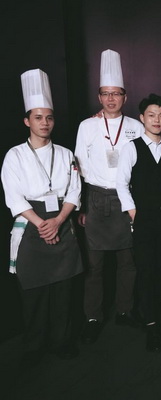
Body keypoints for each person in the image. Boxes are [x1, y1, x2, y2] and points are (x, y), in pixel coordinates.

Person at [1, 69, 83, 365]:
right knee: (34, 293)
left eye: (49, 117)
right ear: (27, 121)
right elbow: (14, 197)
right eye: (38, 118)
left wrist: (58, 221)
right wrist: (42, 224)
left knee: (63, 291)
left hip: (61, 222)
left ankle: (61, 341)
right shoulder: (14, 156)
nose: (45, 123)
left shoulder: (66, 154)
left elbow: (75, 191)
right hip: (31, 227)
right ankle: (34, 346)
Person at [75, 49, 144, 344]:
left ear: (125, 97)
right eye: (105, 93)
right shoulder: (87, 126)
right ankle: (93, 317)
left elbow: (144, 167)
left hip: (126, 200)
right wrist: (81, 206)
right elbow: (78, 168)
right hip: (96, 199)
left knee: (128, 262)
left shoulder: (136, 127)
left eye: (116, 93)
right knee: (95, 266)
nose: (111, 98)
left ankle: (124, 311)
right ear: (99, 96)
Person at [116, 94, 161, 352]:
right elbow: (121, 184)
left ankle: (151, 315)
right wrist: (134, 213)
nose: (157, 120)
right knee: (146, 270)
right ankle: (152, 324)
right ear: (142, 118)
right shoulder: (131, 148)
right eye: (152, 115)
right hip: (143, 219)